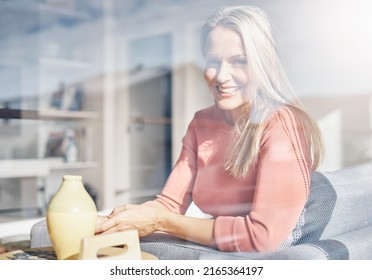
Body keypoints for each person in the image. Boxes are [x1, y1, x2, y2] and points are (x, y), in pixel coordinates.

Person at [95, 5, 324, 253]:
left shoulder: (280, 123)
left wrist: (161, 222)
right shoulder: (201, 123)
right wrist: (115, 222)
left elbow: (261, 237)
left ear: (263, 65)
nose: (221, 76)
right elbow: (170, 204)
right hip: (222, 245)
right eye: (213, 61)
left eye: (239, 62)